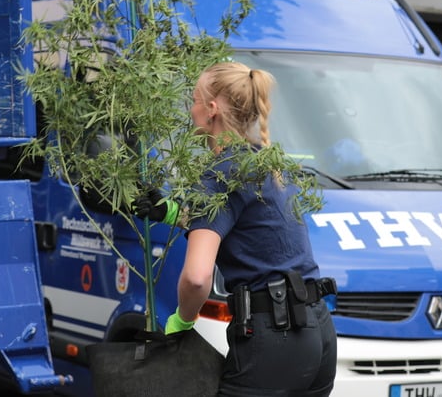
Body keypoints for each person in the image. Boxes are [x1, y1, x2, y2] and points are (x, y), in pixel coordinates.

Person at [139, 61, 338, 396]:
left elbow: (196, 278)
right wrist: (172, 213)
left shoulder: (218, 173)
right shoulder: (267, 164)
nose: (191, 109)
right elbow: (251, 228)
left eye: (194, 100)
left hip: (274, 338)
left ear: (211, 109)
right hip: (318, 334)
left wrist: (181, 323)